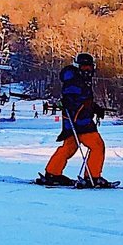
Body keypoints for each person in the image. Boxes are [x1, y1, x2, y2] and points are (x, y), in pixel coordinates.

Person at [39, 52, 112, 188]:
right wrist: (70, 104)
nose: (87, 71)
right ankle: (93, 177)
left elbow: (82, 100)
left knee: (69, 147)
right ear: (77, 67)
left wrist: (95, 108)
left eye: (89, 68)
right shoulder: (75, 81)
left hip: (74, 121)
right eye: (84, 68)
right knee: (97, 146)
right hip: (80, 122)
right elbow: (72, 99)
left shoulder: (78, 79)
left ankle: (52, 173)